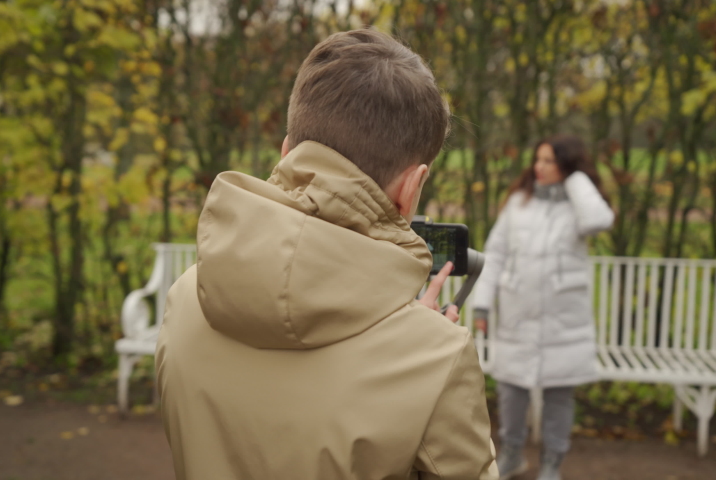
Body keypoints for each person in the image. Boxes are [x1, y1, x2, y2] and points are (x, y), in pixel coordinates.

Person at [155, 29, 498, 480]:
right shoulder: (437, 356)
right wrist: (420, 342)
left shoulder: (187, 298)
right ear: (411, 188)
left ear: (287, 152)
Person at [471, 135, 614, 480]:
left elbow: (599, 220)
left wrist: (576, 180)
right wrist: (482, 305)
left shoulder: (579, 205)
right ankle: (511, 455)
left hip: (564, 323)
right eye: (538, 159)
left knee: (559, 398)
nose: (539, 166)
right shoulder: (518, 202)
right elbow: (496, 253)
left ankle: (552, 464)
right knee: (511, 394)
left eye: (549, 161)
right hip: (518, 317)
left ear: (566, 165)